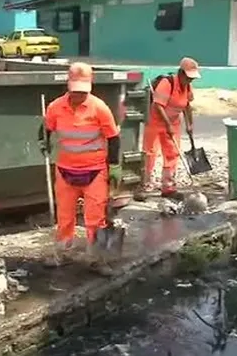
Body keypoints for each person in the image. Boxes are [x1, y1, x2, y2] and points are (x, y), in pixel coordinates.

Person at [39, 62, 122, 265]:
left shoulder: (99, 108)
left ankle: (96, 258)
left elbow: (113, 138)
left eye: (83, 91)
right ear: (68, 86)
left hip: (94, 172)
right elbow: (46, 129)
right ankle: (63, 252)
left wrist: (114, 166)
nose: (79, 95)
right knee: (65, 217)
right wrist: (44, 140)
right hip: (65, 170)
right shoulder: (55, 107)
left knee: (95, 219)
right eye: (75, 91)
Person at [136, 57, 200, 200]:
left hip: (174, 122)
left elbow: (187, 105)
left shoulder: (188, 86)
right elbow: (158, 106)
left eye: (192, 79)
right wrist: (167, 125)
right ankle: (145, 186)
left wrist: (190, 124)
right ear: (181, 73)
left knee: (172, 153)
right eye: (188, 77)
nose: (190, 81)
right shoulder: (167, 83)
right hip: (155, 121)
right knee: (150, 153)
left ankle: (168, 187)